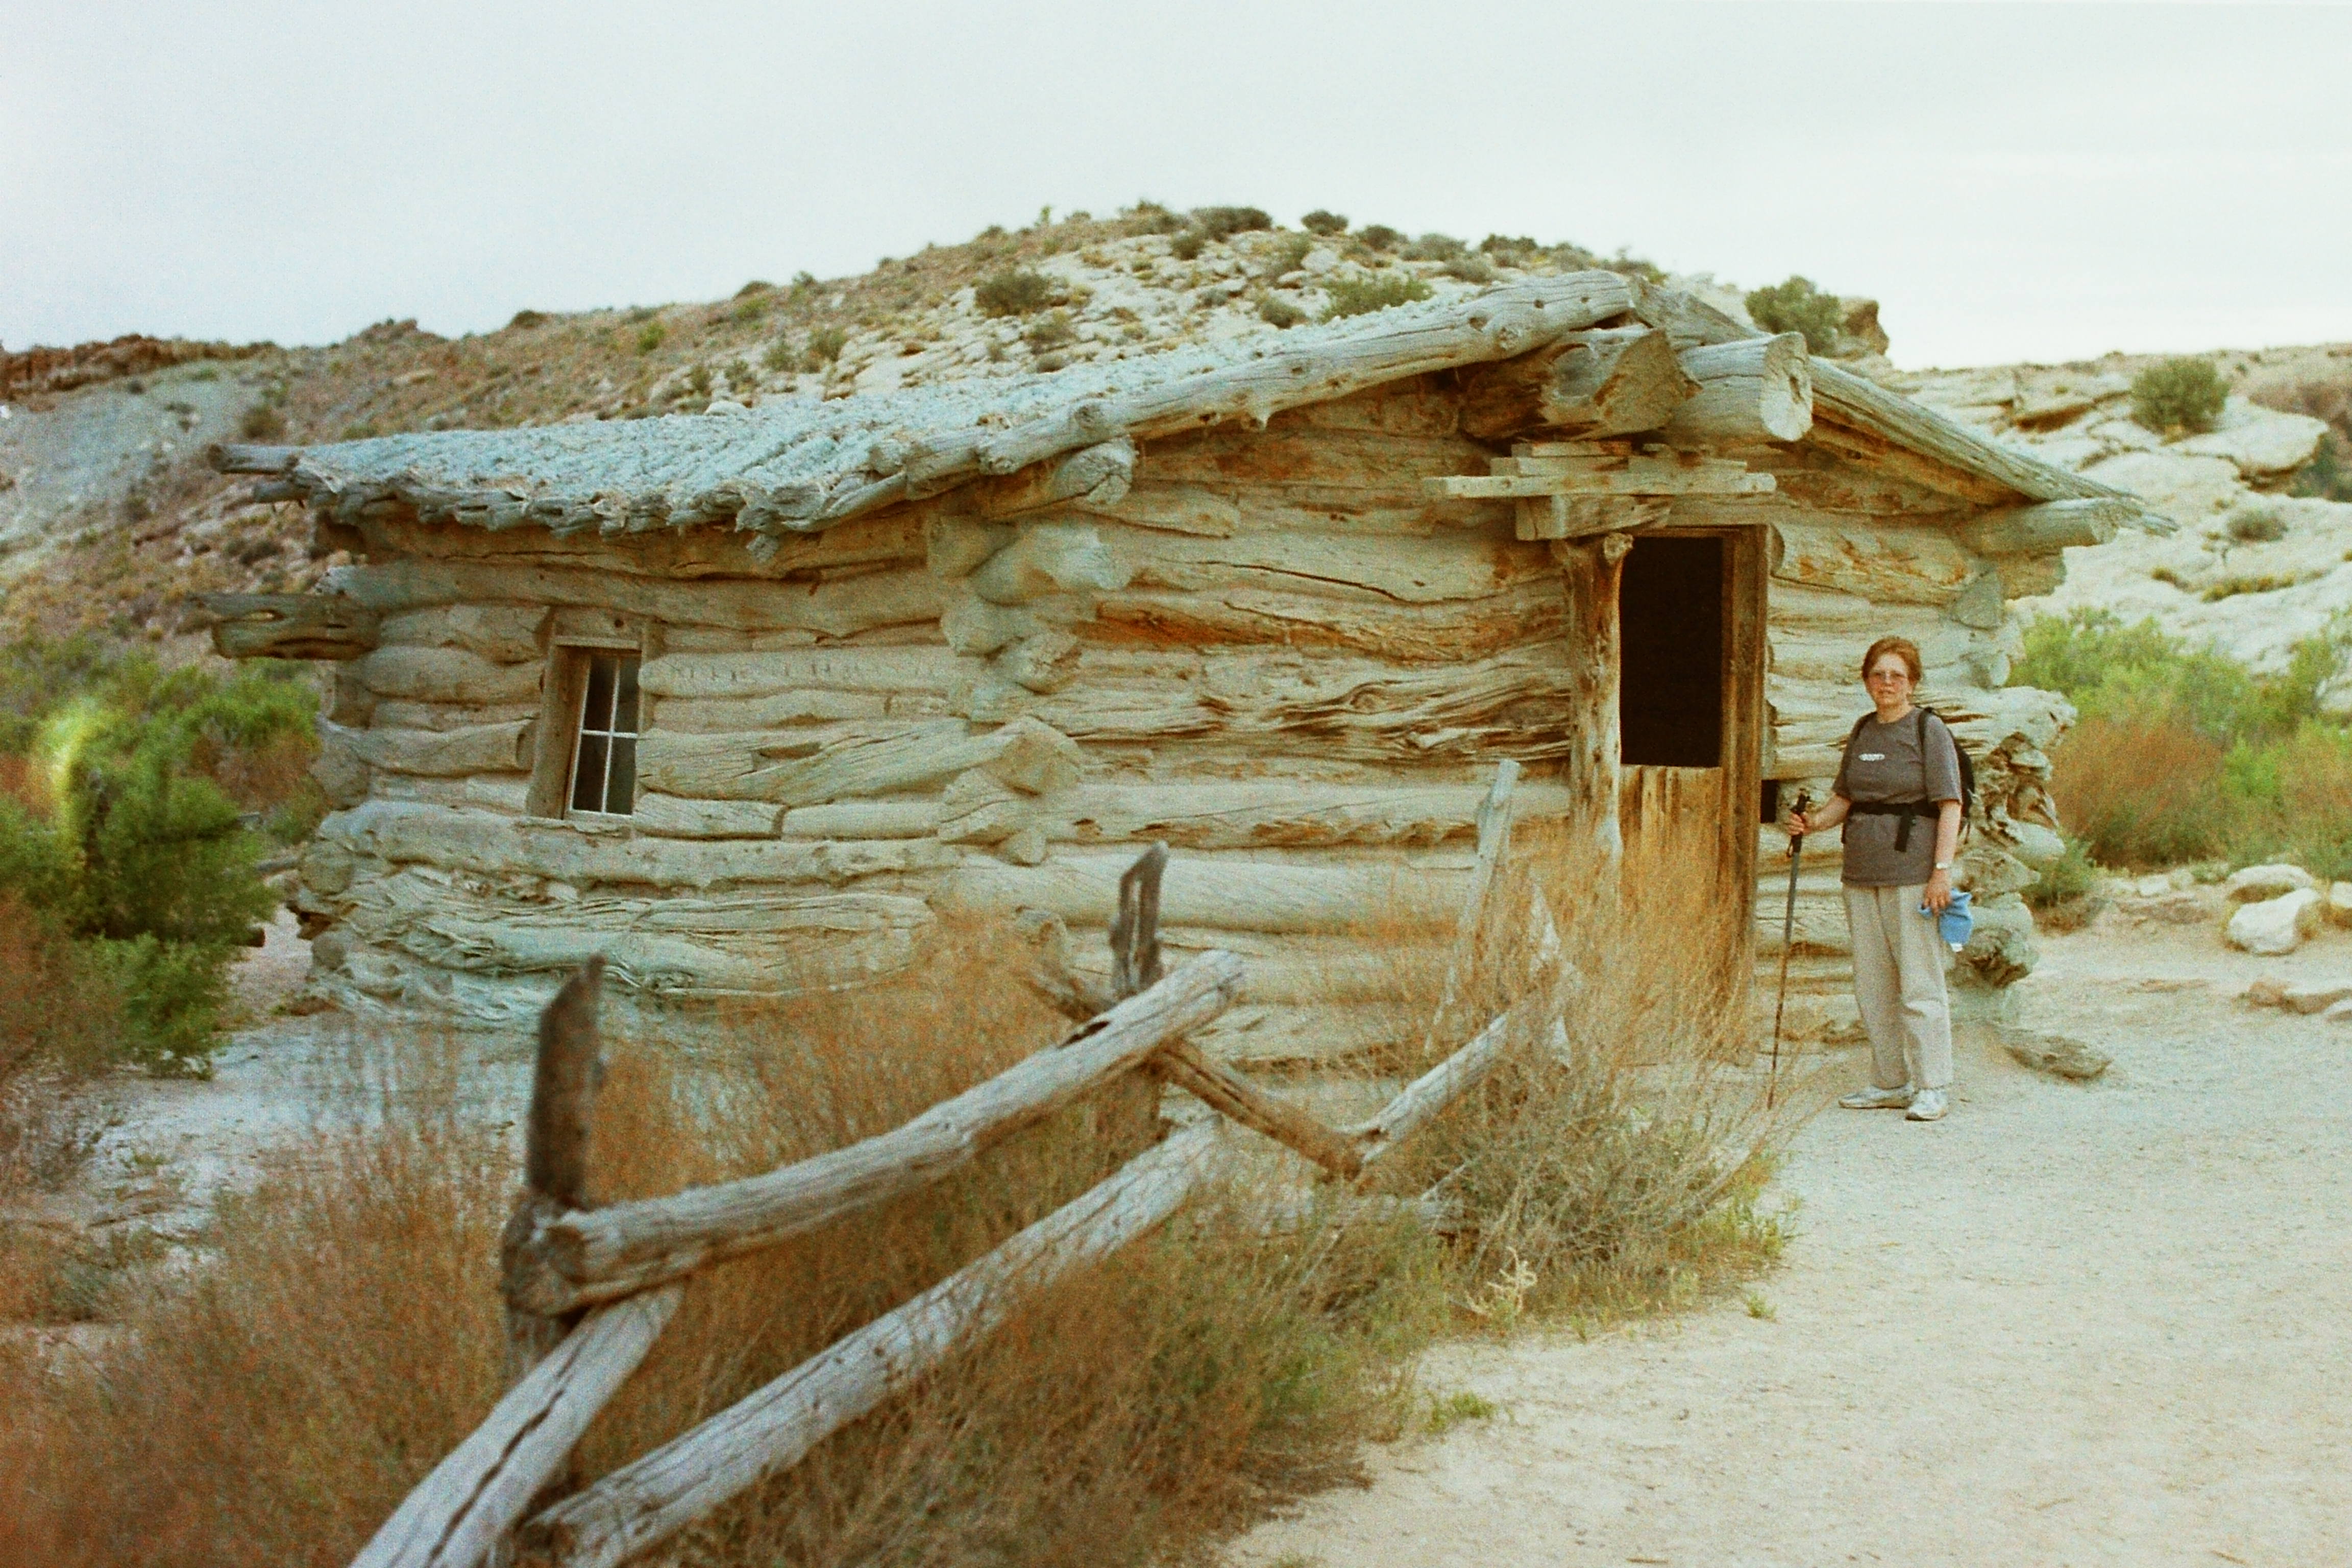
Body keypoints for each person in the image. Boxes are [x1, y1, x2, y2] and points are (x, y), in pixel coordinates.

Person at [1787, 636, 1965, 1123]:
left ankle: (1932, 1085)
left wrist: (1941, 872)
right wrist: (1814, 824)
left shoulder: (1928, 730)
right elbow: (1845, 798)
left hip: (1912, 875)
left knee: (1920, 982)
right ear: (1866, 680)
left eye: (1896, 675)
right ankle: (1890, 1082)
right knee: (1873, 984)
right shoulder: (1864, 730)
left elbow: (1950, 805)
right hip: (1861, 873)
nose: (1886, 683)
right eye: (1878, 674)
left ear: (1913, 682)